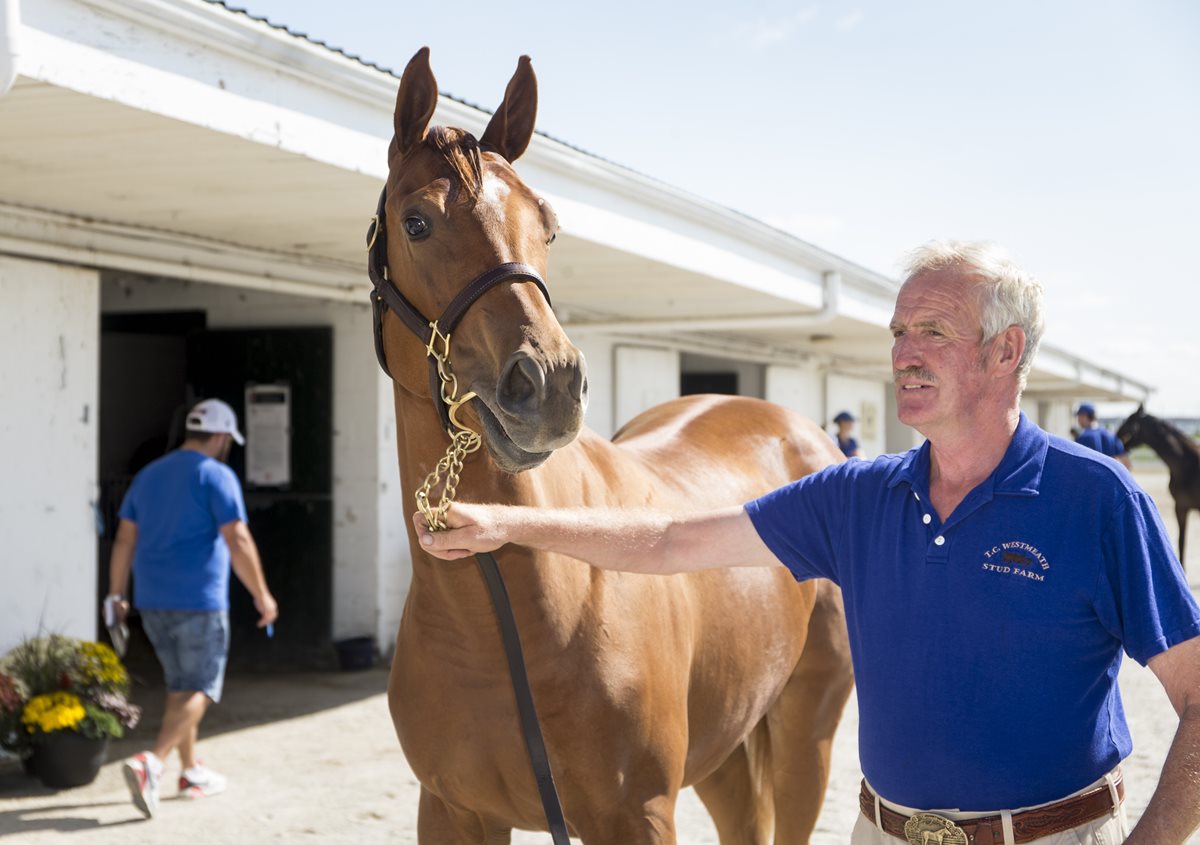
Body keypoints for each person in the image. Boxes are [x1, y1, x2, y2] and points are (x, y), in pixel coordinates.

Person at [417, 241, 1200, 844]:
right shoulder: (859, 495)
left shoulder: (1098, 499)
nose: (904, 352)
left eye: (934, 330)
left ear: (1006, 351)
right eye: (899, 331)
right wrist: (509, 524)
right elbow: (664, 539)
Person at [106, 397, 278, 819]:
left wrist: (116, 593)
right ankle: (154, 762)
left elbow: (124, 540)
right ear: (220, 437)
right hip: (199, 601)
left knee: (182, 687)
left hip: (152, 602)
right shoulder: (216, 476)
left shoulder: (147, 476)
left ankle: (190, 771)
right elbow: (238, 540)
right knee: (201, 687)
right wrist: (262, 594)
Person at [1076, 402, 1133, 469]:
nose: (1078, 419)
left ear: (1084, 416)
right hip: (1108, 477)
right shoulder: (1111, 435)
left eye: (1079, 416)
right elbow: (1127, 464)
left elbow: (1077, 465)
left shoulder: (1083, 437)